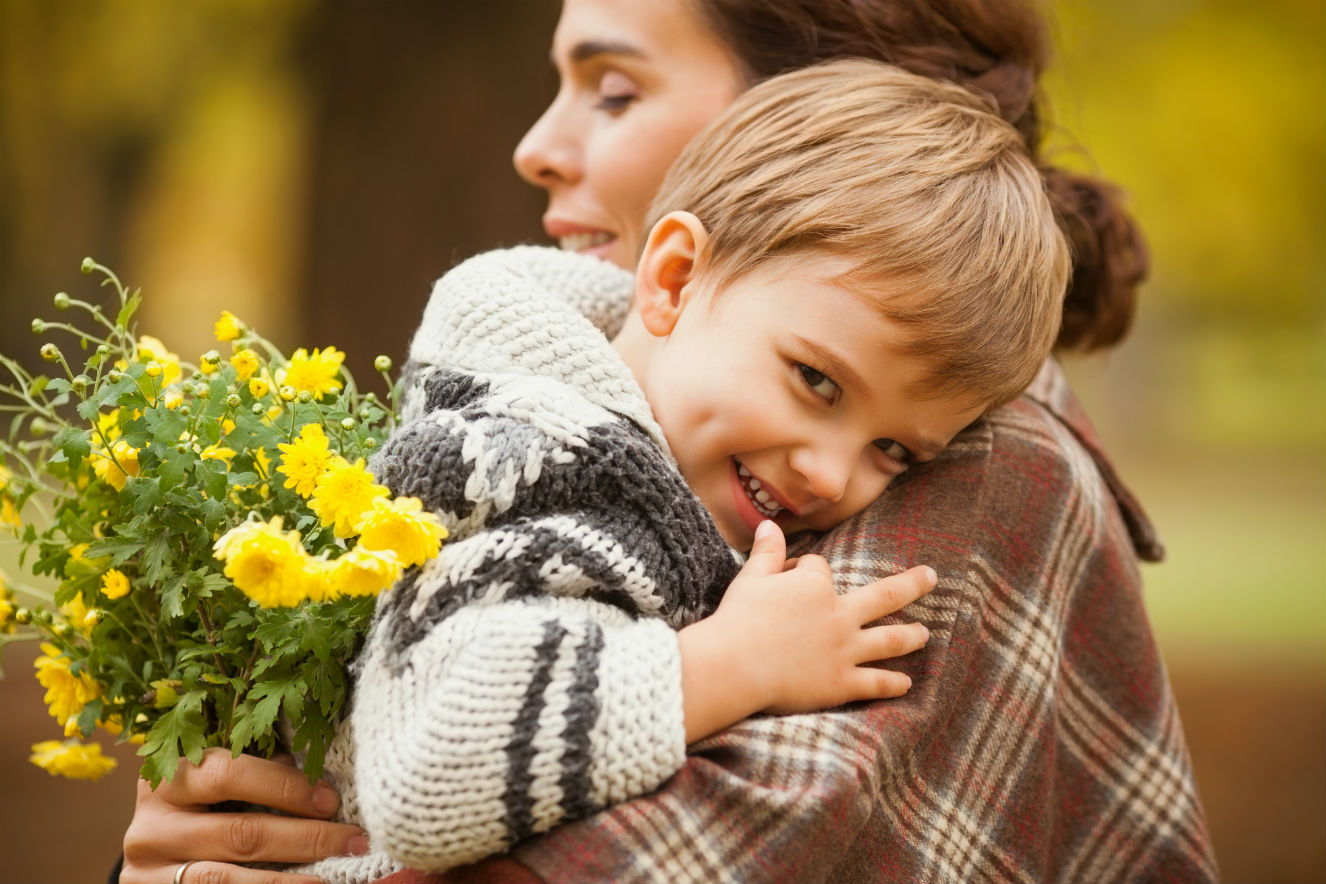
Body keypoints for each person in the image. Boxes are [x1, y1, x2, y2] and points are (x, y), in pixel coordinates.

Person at [119, 2, 1219, 883]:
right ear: (678, 277)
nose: (535, 146)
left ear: (819, 105)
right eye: (814, 380)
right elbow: (420, 752)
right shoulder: (539, 444)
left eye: (614, 87)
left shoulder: (993, 470)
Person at [296, 57, 1067, 883]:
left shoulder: (644, 475)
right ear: (673, 280)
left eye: (895, 451)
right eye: (816, 381)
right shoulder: (530, 464)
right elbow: (427, 774)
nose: (833, 478)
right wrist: (735, 664)